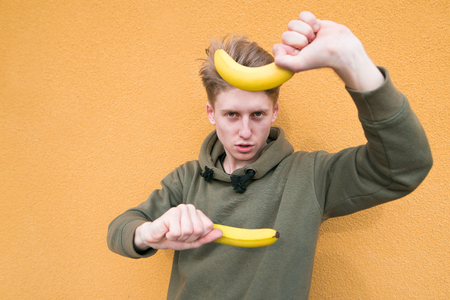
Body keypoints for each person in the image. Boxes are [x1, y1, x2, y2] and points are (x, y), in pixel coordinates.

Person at [107, 11, 432, 299]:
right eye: (232, 115)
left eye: (257, 115)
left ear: (274, 111)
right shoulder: (186, 180)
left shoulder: (311, 177)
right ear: (211, 113)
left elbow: (403, 165)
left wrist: (354, 64)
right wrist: (146, 233)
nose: (245, 131)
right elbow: (120, 229)